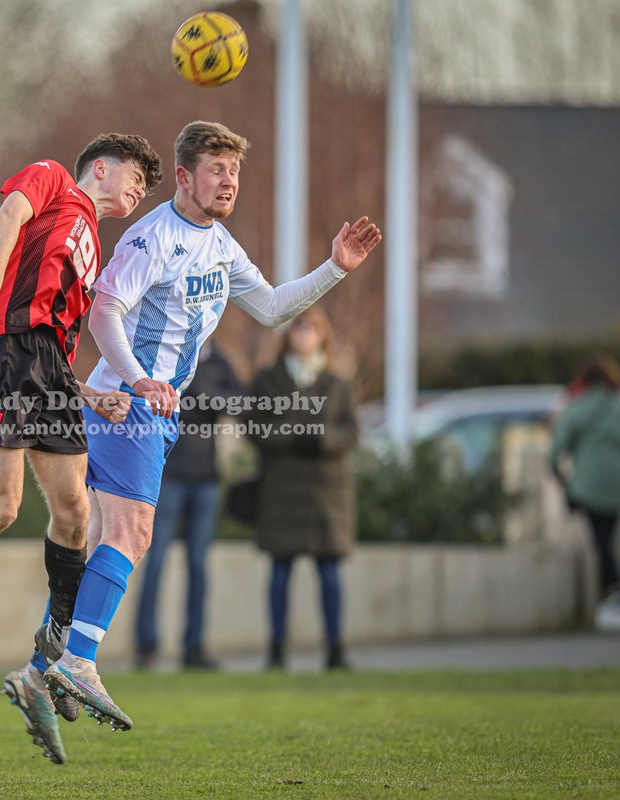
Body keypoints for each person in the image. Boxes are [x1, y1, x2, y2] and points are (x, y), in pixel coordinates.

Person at [41, 121, 381, 732]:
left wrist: (335, 267)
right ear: (184, 176)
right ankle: (78, 662)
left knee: (96, 537)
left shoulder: (221, 245)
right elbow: (104, 312)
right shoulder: (152, 238)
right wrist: (138, 379)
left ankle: (46, 665)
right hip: (127, 404)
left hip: (149, 409)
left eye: (235, 171)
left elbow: (272, 308)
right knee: (133, 532)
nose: (229, 181)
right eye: (217, 169)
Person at [0, 134, 162, 765]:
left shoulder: (94, 250)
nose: (139, 191)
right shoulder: (54, 178)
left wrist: (88, 394)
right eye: (136, 177)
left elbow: (56, 345)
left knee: (76, 512)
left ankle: (58, 634)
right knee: (2, 507)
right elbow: (7, 215)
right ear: (101, 168)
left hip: (49, 372)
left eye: (145, 187)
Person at [246, 307, 359, 671]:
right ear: (288, 335)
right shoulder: (268, 381)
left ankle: (335, 649)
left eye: (312, 328)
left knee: (330, 574)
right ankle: (276, 651)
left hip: (327, 494)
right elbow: (253, 427)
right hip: (282, 489)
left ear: (323, 335)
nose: (304, 334)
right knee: (280, 572)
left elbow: (351, 432)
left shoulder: (338, 384)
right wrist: (291, 436)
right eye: (298, 327)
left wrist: (322, 440)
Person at [133, 343, 241, 670]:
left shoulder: (220, 362)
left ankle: (194, 647)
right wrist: (204, 401)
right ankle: (146, 644)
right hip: (167, 475)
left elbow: (240, 402)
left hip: (206, 478)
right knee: (155, 561)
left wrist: (199, 396)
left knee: (198, 566)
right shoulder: (170, 351)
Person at [549, 355, 620, 605]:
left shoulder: (577, 409)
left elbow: (555, 453)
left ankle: (614, 586)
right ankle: (609, 591)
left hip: (588, 486)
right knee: (606, 538)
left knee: (600, 539)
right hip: (619, 487)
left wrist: (563, 480)